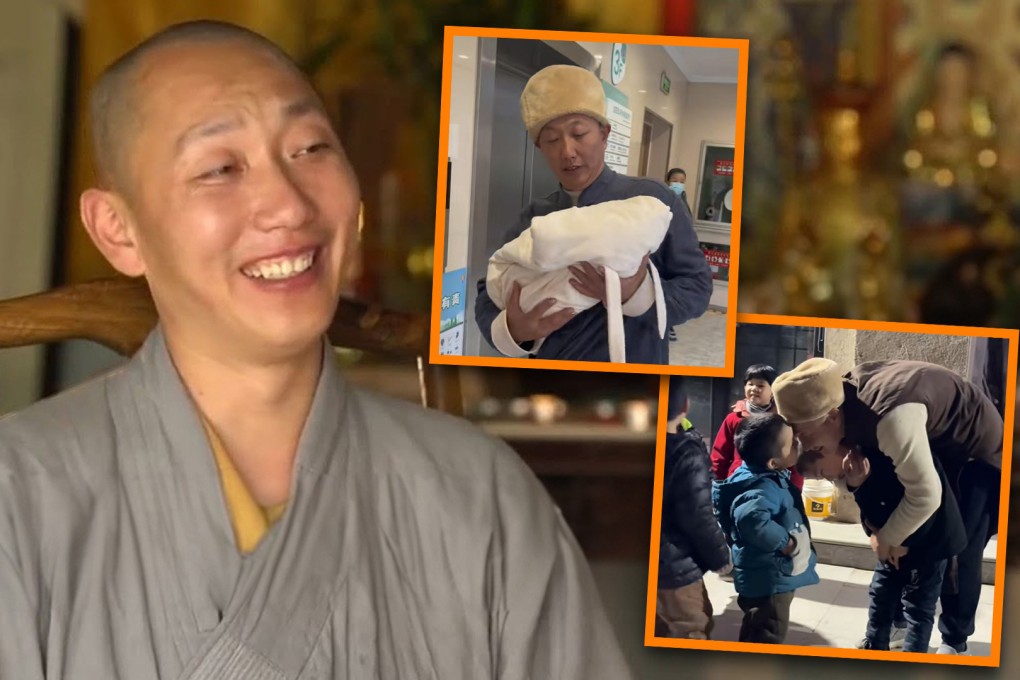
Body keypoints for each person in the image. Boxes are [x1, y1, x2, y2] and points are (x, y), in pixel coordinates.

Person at [0, 21, 633, 679]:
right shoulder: (17, 498)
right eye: (220, 167)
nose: (287, 203)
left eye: (309, 149)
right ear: (117, 229)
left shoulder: (480, 495)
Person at [474, 64, 712, 364]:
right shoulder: (534, 216)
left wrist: (634, 293)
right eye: (551, 140)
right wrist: (514, 329)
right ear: (539, 146)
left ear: (604, 133)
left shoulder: (652, 202)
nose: (567, 151)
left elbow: (697, 287)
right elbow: (488, 290)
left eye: (579, 133)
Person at [773, 357, 1002, 655]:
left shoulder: (890, 417)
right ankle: (896, 624)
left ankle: (954, 642)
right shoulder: (839, 406)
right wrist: (862, 494)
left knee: (957, 551)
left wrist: (885, 539)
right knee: (898, 531)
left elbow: (925, 496)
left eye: (804, 433)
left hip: (973, 455)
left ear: (831, 417)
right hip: (933, 448)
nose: (801, 440)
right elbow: (857, 480)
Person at [801, 446, 966, 652]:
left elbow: (926, 505)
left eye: (820, 472)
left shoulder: (889, 454)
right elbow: (871, 511)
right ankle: (875, 643)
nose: (825, 478)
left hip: (930, 543)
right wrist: (876, 533)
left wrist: (902, 543)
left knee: (918, 606)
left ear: (827, 449)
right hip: (890, 542)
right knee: (881, 594)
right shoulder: (855, 470)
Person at [713, 413, 819, 644]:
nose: (798, 444)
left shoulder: (759, 475)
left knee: (758, 624)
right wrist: (786, 543)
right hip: (769, 576)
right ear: (773, 462)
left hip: (767, 573)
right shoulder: (761, 487)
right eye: (792, 443)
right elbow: (752, 521)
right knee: (767, 630)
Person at [656, 377, 732, 639]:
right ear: (685, 406)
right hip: (672, 570)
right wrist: (721, 558)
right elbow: (698, 515)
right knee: (689, 630)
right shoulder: (684, 450)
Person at [710, 364, 804, 491]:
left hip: (774, 485)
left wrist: (795, 491)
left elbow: (792, 457)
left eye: (760, 385)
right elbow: (720, 456)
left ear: (773, 391)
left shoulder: (783, 420)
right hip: (737, 483)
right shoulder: (734, 419)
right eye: (750, 384)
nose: (754, 389)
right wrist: (717, 487)